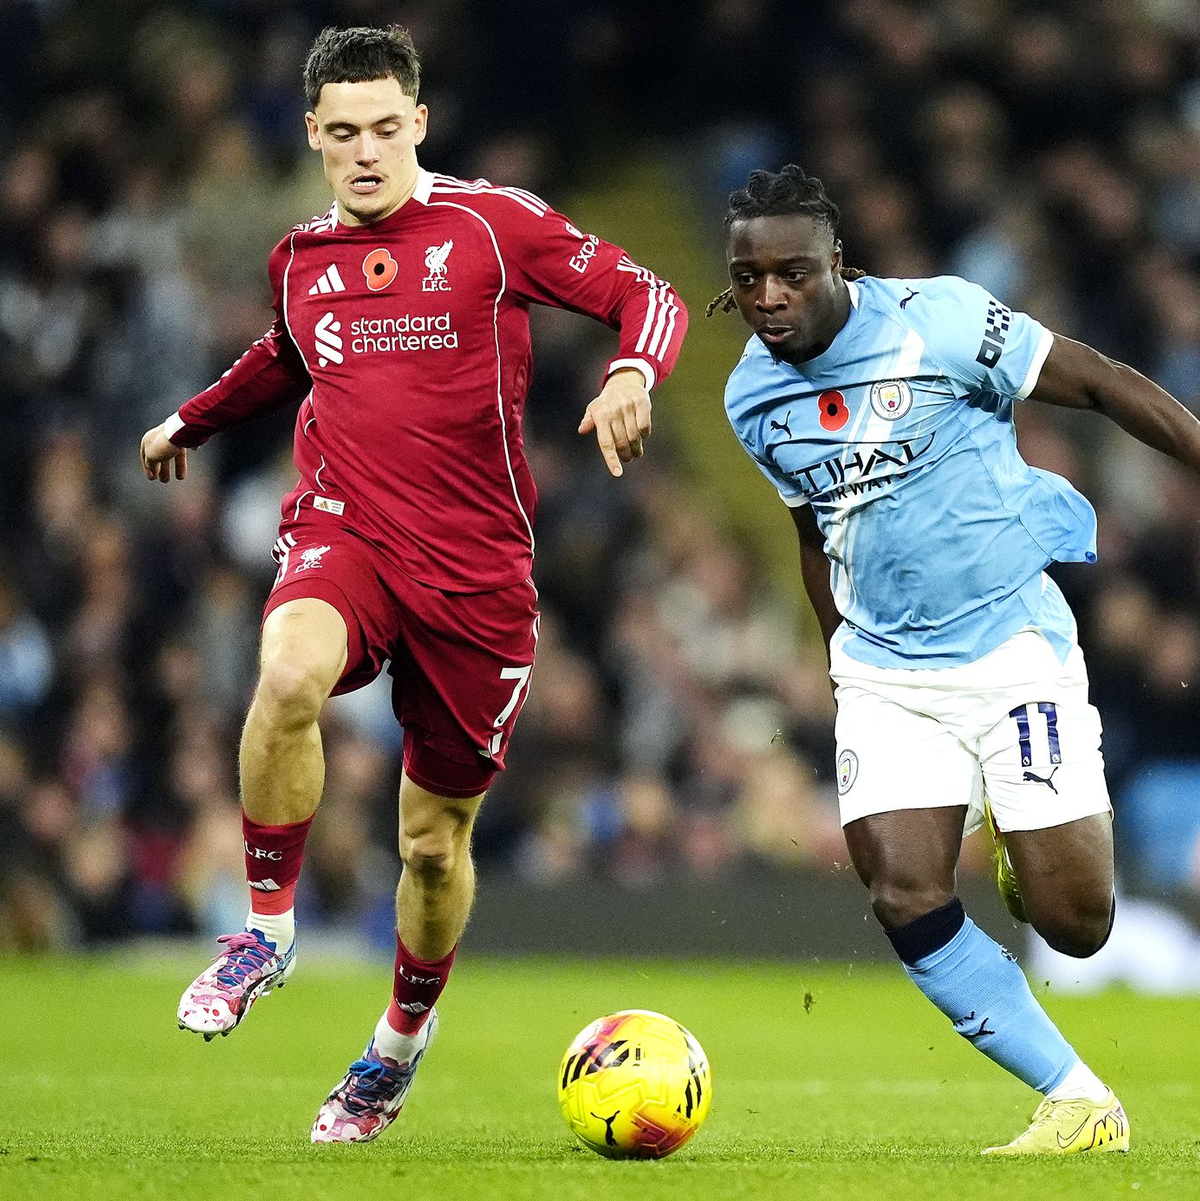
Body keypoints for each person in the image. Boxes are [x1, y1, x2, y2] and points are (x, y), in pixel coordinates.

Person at [139, 25, 686, 1144]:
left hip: (480, 577)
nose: (368, 152)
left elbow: (651, 295)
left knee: (433, 845)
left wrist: (633, 367)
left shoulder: (495, 227)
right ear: (313, 138)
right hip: (349, 531)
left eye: (387, 128)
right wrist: (189, 420)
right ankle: (265, 929)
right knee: (287, 670)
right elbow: (285, 356)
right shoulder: (300, 259)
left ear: (420, 123)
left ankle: (395, 1044)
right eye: (343, 135)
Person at [712, 165, 1200, 1156]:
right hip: (887, 671)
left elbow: (1100, 381)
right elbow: (817, 528)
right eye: (748, 277)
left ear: (836, 264)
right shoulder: (750, 399)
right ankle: (1075, 1097)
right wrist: (840, 660)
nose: (769, 298)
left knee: (1077, 924)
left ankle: (1030, 850)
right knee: (902, 890)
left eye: (791, 274)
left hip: (1013, 648)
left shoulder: (939, 322)